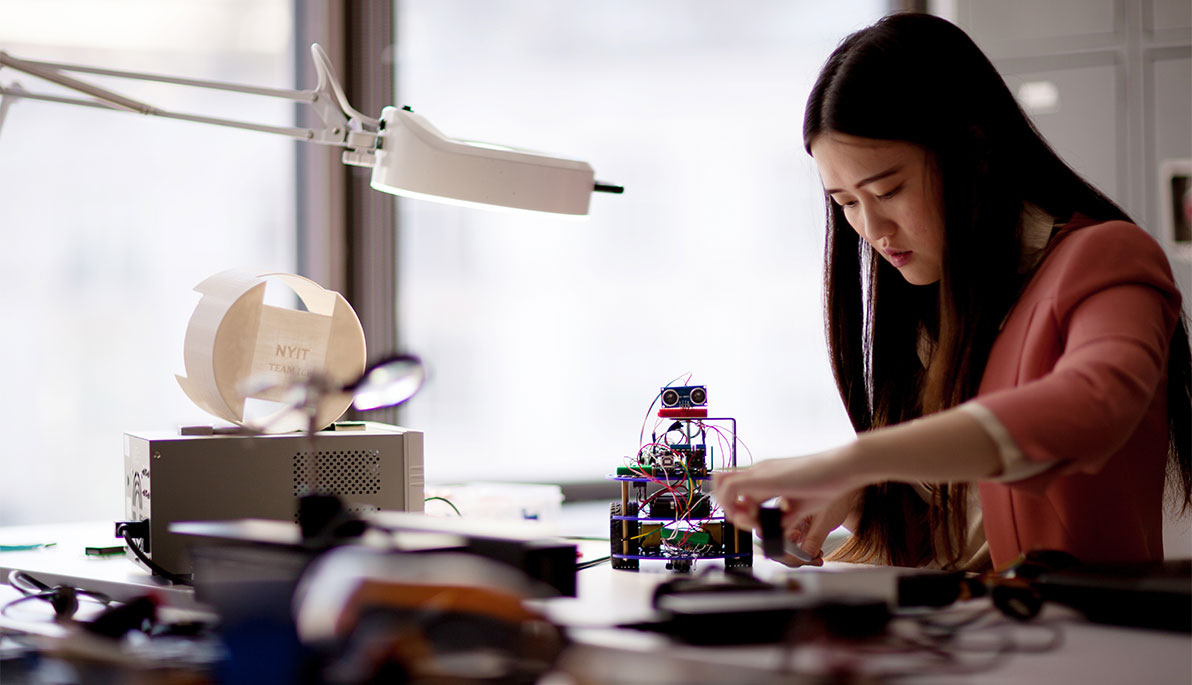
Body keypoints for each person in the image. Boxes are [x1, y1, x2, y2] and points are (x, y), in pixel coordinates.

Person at [714, 12, 1192, 572]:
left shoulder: (1108, 258)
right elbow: (958, 519)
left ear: (974, 154)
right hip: (962, 642)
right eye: (845, 203)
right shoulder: (928, 303)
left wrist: (854, 462)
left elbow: (1090, 406)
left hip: (1075, 640)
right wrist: (860, 497)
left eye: (888, 190)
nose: (872, 229)